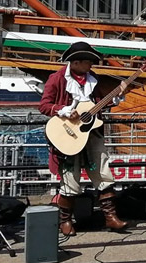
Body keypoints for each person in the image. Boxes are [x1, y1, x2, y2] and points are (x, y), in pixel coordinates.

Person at [39, 41, 128, 236]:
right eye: (88, 62)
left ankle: (110, 217)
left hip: (91, 133)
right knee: (71, 178)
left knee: (103, 170)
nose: (91, 65)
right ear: (76, 62)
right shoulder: (57, 79)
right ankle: (65, 220)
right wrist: (64, 111)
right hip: (68, 135)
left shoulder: (93, 79)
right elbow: (44, 105)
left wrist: (115, 97)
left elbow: (95, 106)